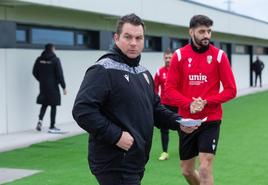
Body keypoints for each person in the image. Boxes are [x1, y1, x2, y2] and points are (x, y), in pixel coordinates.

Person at [72, 13, 185, 185]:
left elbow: (155, 109)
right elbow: (82, 110)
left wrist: (179, 122)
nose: (133, 43)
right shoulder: (102, 70)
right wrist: (116, 135)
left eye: (138, 38)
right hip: (114, 162)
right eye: (128, 37)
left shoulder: (143, 73)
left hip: (135, 160)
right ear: (116, 38)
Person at [165, 15, 237, 185]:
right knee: (187, 170)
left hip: (210, 119)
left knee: (205, 167)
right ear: (191, 32)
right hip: (187, 121)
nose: (206, 35)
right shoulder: (179, 55)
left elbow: (231, 90)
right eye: (202, 31)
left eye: (209, 31)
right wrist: (189, 104)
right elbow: (169, 90)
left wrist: (206, 102)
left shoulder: (219, 56)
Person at [33, 43, 67, 133]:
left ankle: (40, 121)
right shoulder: (55, 60)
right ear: (52, 49)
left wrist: (41, 80)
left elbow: (34, 72)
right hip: (53, 87)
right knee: (53, 105)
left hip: (43, 86)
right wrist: (64, 87)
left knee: (44, 104)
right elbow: (59, 74)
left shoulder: (39, 59)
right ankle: (52, 126)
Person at [154, 48, 178, 161]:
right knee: (164, 129)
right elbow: (154, 88)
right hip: (164, 105)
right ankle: (165, 152)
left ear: (173, 58)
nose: (168, 59)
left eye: (170, 57)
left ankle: (185, 150)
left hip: (178, 105)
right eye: (166, 57)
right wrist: (157, 100)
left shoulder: (179, 71)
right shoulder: (160, 72)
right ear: (164, 58)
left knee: (182, 128)